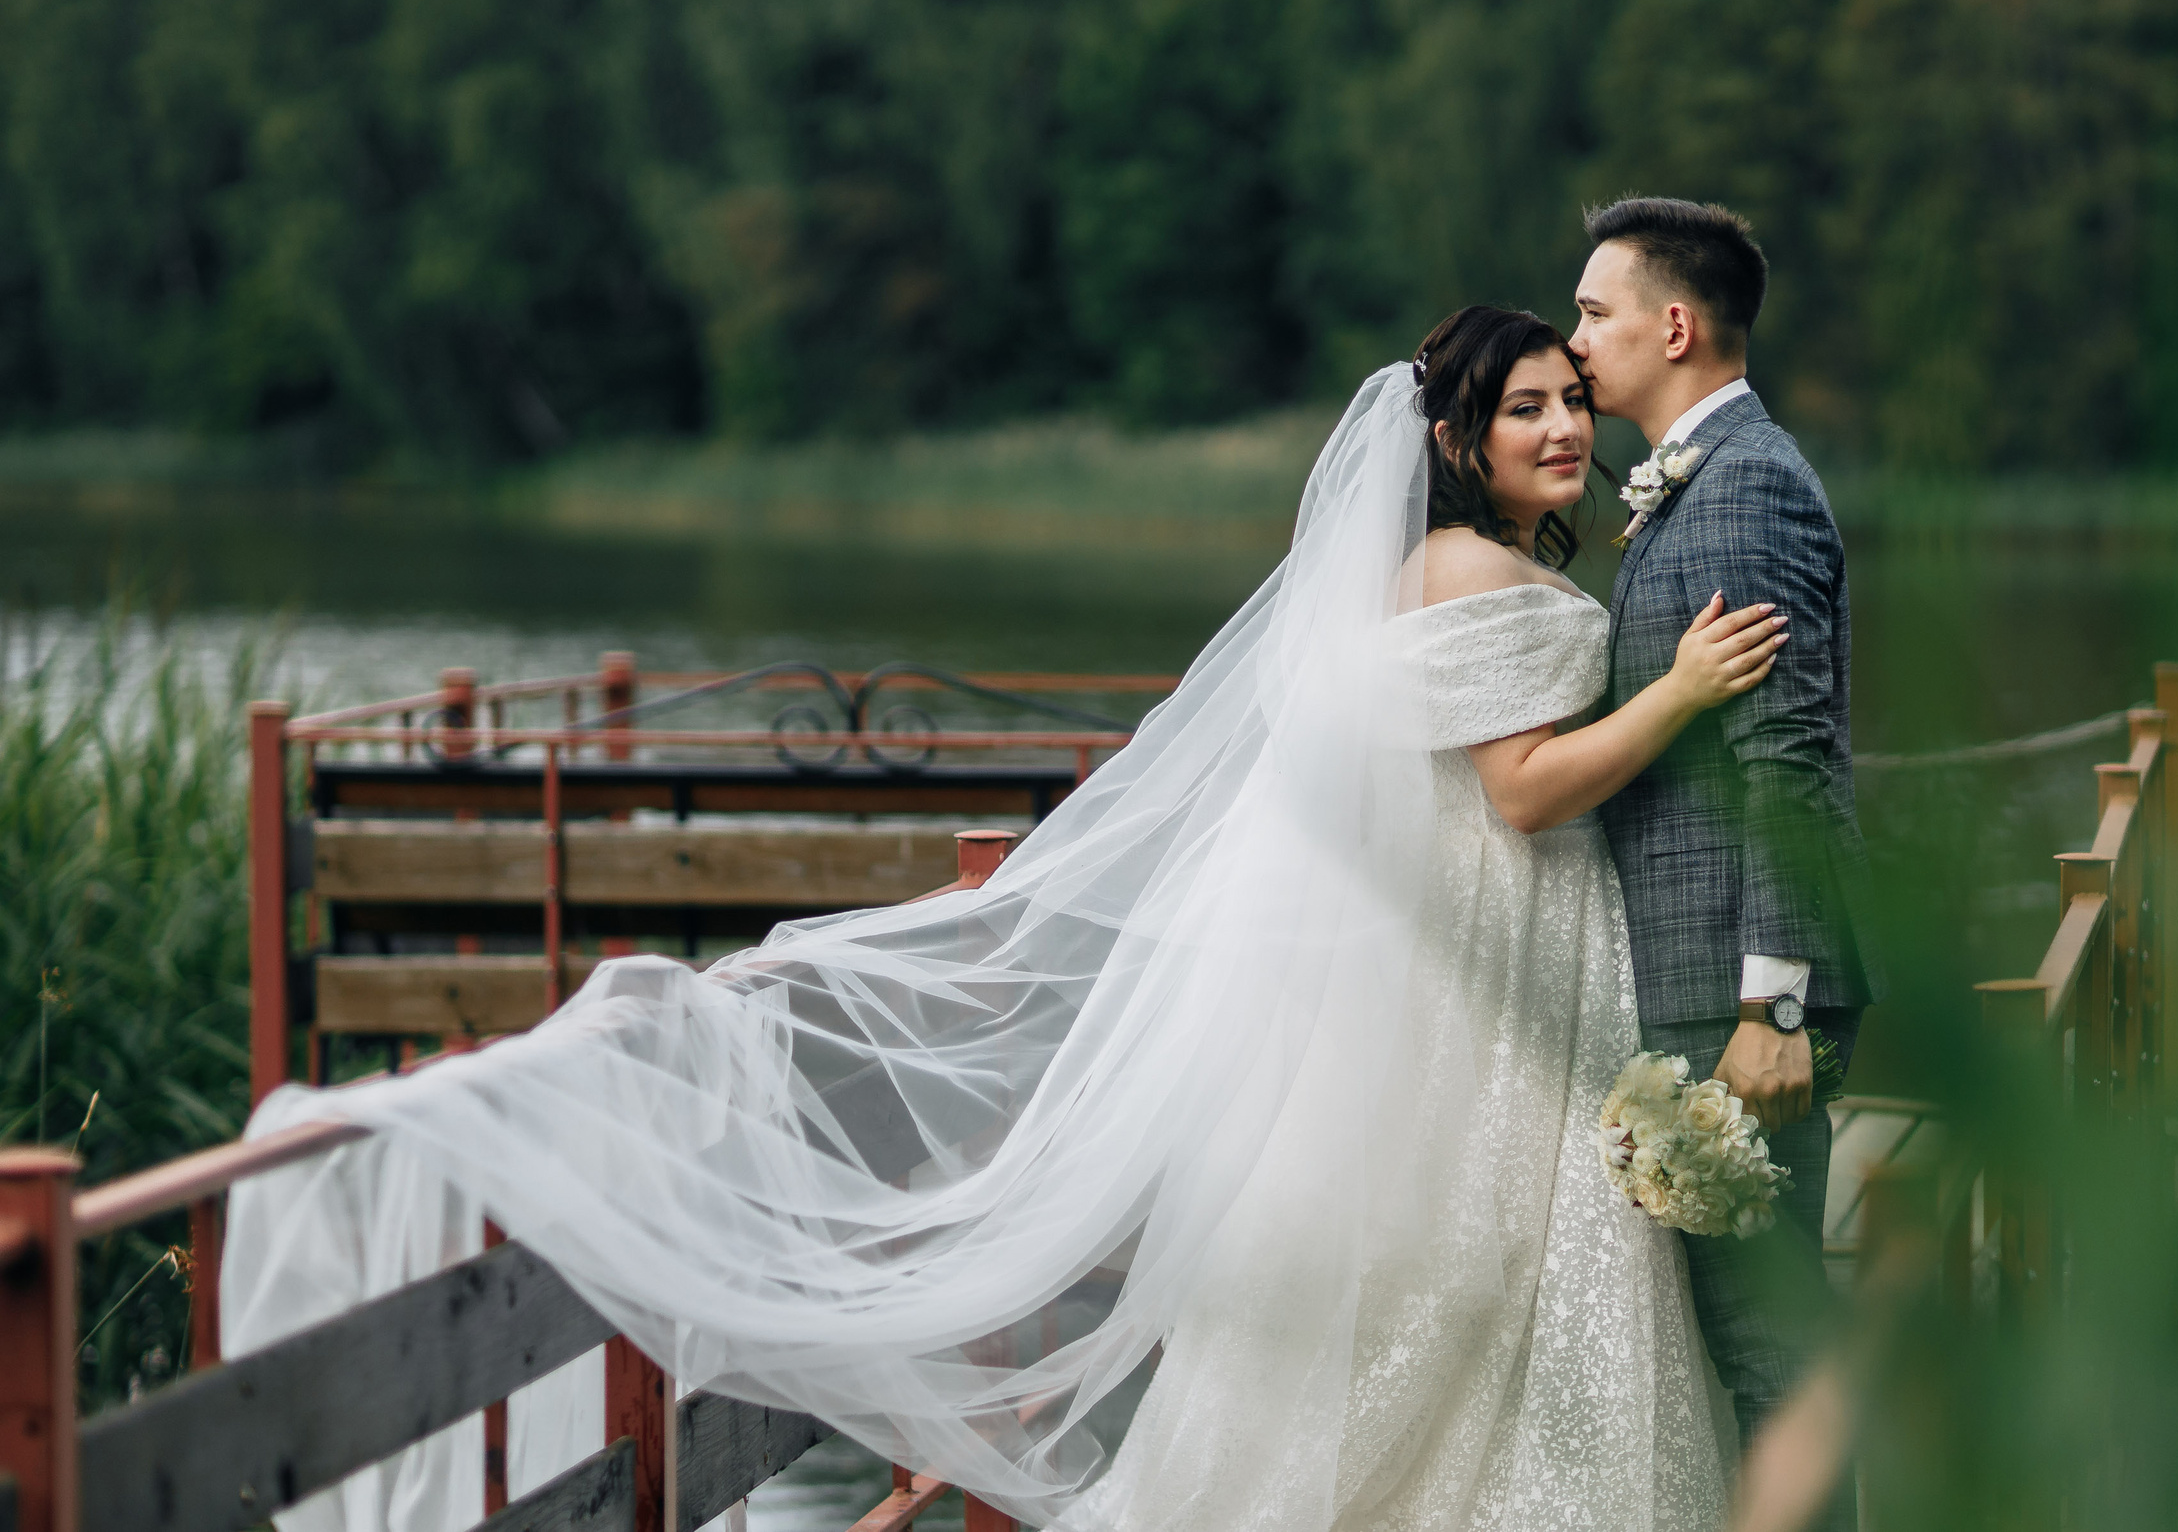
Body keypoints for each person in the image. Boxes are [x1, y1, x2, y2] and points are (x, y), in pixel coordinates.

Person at [226, 308, 1790, 1532]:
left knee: (1438, 1291)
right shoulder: (1482, 581)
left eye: (1571, 400)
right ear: (1457, 436)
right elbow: (1522, 794)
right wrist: (1680, 690)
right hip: (1490, 973)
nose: (1565, 425)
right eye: (1528, 406)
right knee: (1494, 1283)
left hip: (1444, 973)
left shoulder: (1421, 571)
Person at [1574, 196, 1879, 1530]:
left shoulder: (1748, 482)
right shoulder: (1695, 480)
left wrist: (1776, 1006)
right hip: (1697, 982)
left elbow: (1792, 766)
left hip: (1740, 998)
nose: (1577, 339)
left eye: (1595, 313)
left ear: (1675, 324)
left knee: (1768, 1350)